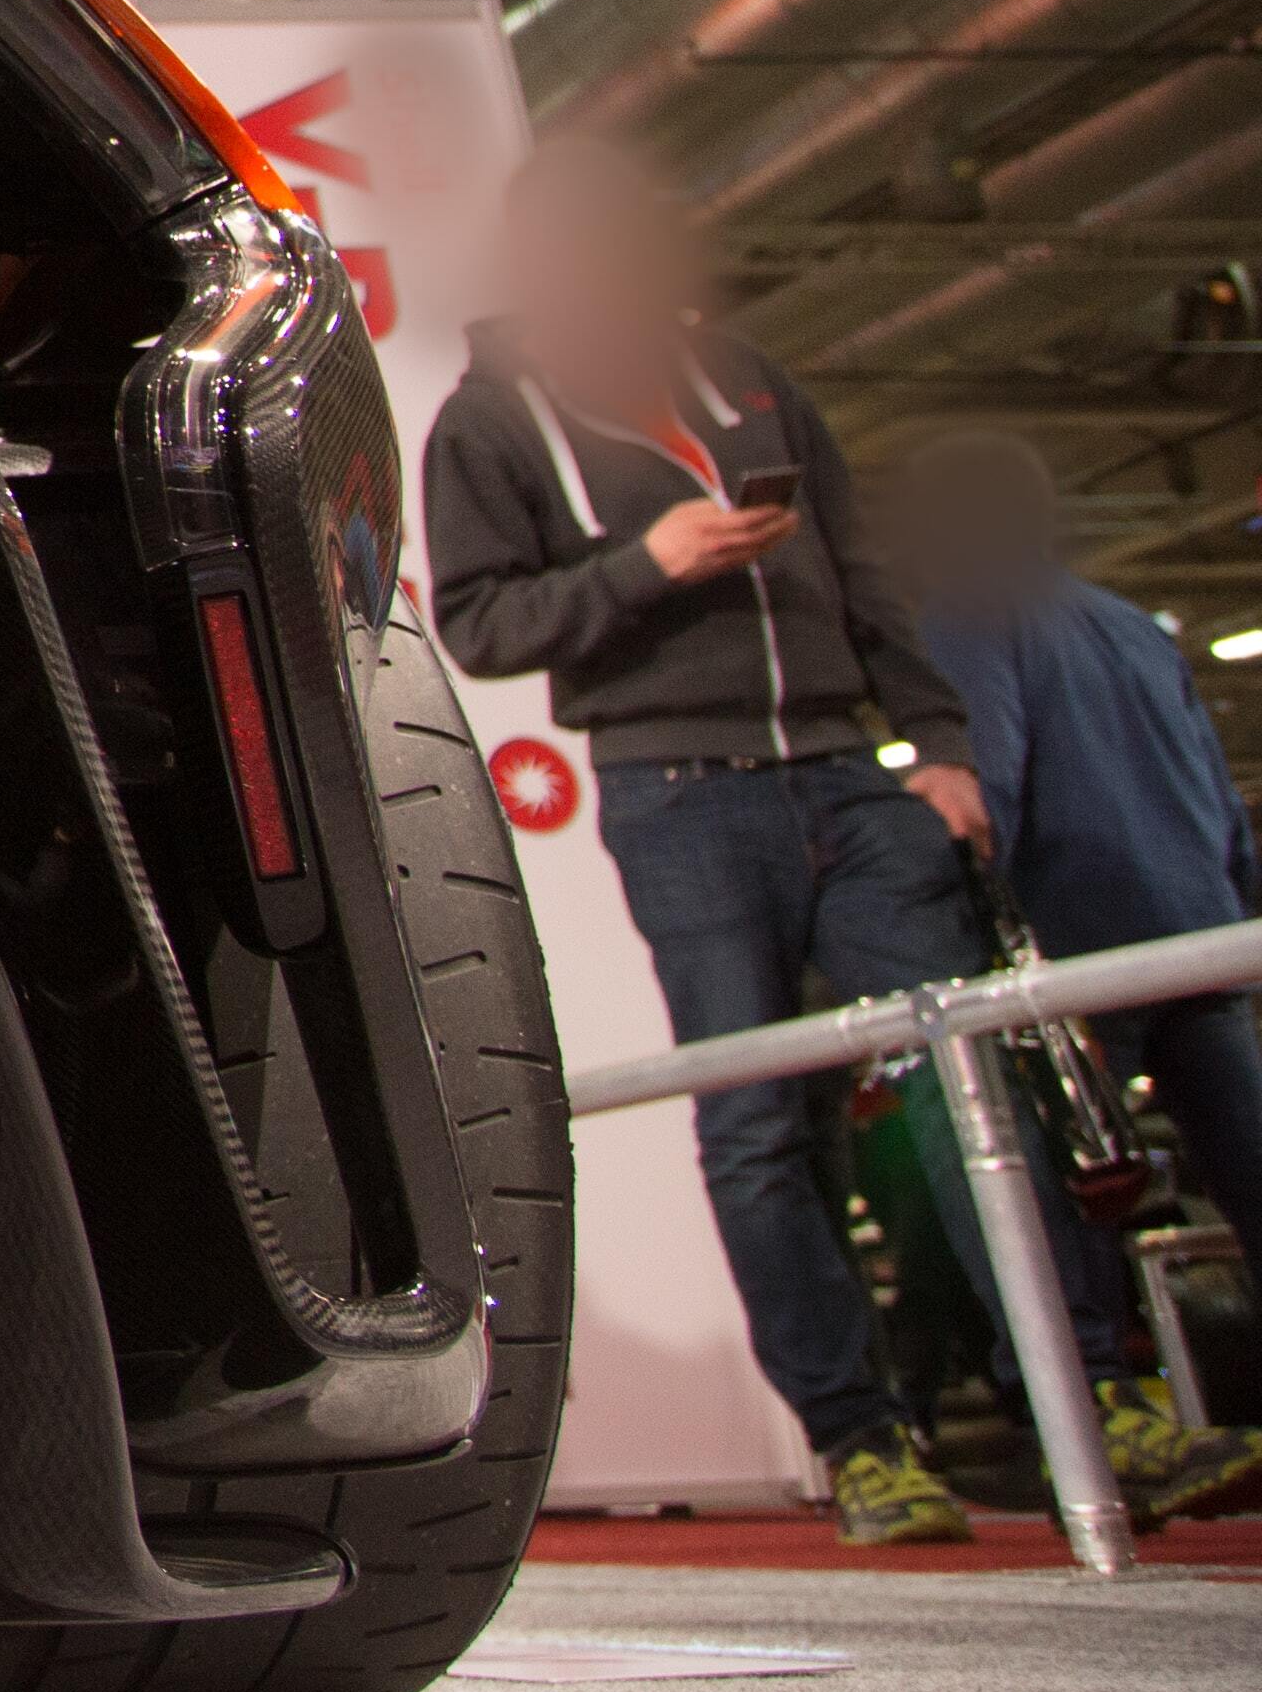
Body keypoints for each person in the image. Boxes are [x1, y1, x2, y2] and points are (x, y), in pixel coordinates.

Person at [425, 137, 1259, 1541]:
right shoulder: (488, 423)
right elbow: (481, 621)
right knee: (759, 1121)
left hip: (840, 771)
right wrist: (651, 565)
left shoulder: (746, 378)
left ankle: (1101, 1396)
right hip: (680, 794)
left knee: (970, 1065)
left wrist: (934, 746)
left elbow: (863, 572)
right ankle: (865, 1441)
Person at [885, 429, 1262, 1456]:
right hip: (1200, 932)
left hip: (1081, 943)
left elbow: (988, 781)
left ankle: (1109, 1417)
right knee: (1248, 1167)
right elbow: (1224, 804)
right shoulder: (1134, 625)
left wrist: (926, 889)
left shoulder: (970, 612)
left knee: (1077, 1182)